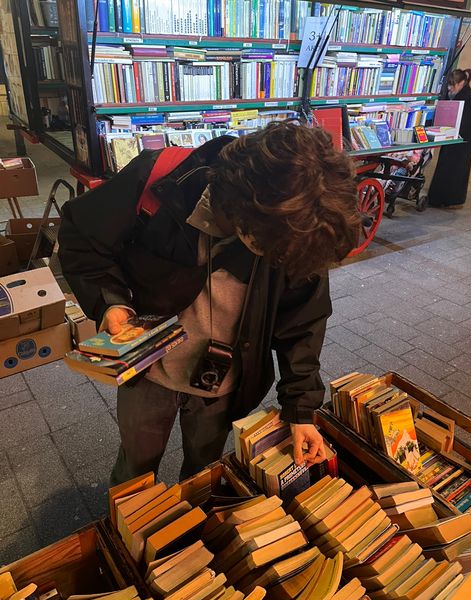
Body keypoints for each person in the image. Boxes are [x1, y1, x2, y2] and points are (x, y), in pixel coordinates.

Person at [58, 122, 360, 486]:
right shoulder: (161, 179)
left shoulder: (296, 227)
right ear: (241, 218)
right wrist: (111, 302)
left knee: (203, 475)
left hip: (226, 381)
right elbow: (81, 238)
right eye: (267, 251)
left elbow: (304, 320)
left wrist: (300, 409)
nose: (274, 260)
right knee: (134, 472)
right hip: (149, 372)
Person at [428, 68, 471, 207]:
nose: (449, 88)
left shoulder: (470, 97)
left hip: (464, 139)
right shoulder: (452, 94)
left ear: (461, 83)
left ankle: (451, 199)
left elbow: (468, 120)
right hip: (451, 136)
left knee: (457, 169)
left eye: (452, 84)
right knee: (445, 166)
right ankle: (438, 197)